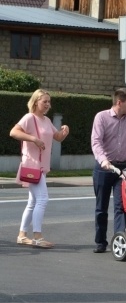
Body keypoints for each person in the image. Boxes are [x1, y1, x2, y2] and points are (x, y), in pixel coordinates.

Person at [10, 89, 69, 249]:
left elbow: (56, 137)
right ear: (36, 102)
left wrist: (64, 132)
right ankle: (37, 236)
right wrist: (33, 139)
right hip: (32, 164)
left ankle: (22, 236)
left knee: (33, 202)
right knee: (42, 199)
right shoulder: (29, 118)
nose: (48, 105)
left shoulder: (46, 120)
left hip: (41, 166)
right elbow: (13, 132)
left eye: (49, 102)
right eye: (45, 102)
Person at [91, 88, 126, 253]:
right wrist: (103, 160)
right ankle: (100, 241)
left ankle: (119, 239)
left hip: (124, 167)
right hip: (105, 167)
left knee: (122, 205)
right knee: (101, 207)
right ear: (119, 102)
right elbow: (96, 141)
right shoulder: (102, 117)